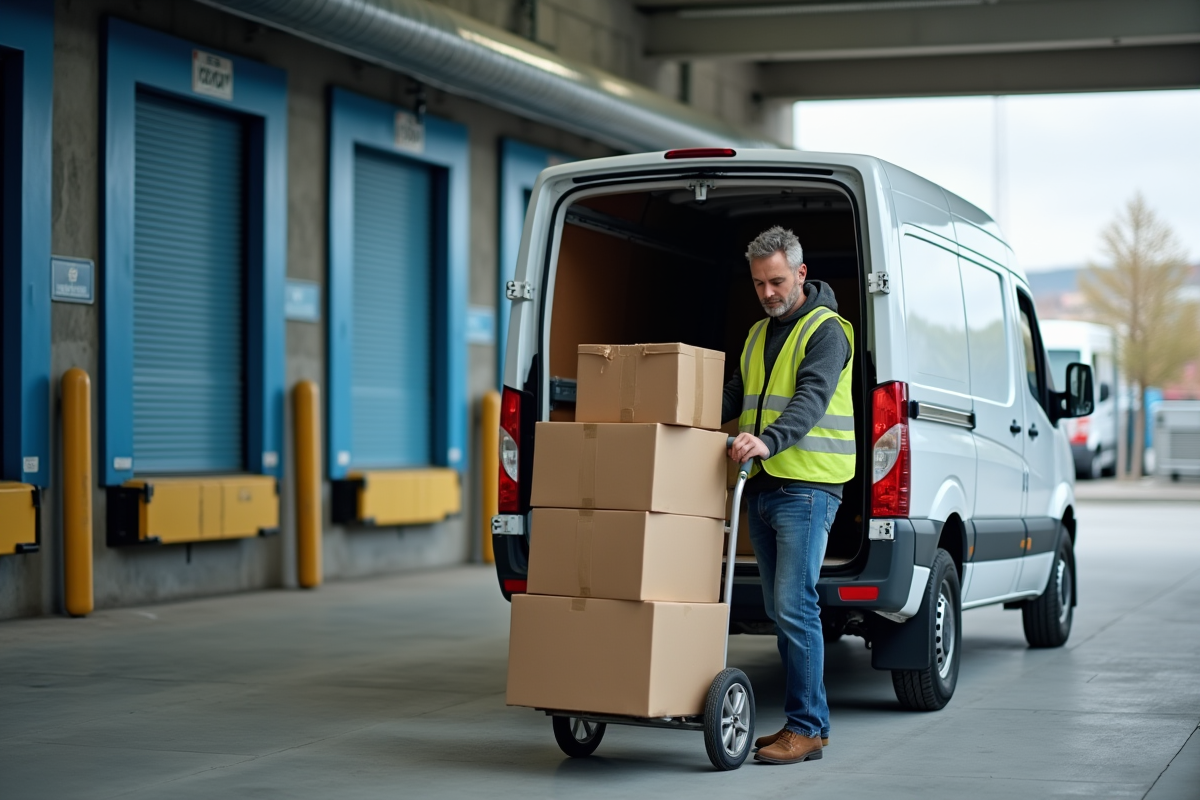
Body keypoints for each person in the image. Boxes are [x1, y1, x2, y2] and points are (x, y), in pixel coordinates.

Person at [723, 225, 855, 765]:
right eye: (759, 284)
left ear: (801, 273)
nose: (768, 293)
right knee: (784, 611)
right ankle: (808, 725)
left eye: (776, 281)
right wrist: (680, 408)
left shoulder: (827, 331)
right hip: (765, 487)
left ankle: (806, 728)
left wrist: (767, 441)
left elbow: (811, 399)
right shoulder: (758, 333)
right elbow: (739, 391)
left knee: (796, 608)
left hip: (807, 487)